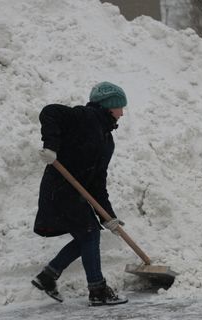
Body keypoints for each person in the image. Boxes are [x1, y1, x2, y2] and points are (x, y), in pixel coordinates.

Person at [31, 81, 129, 306]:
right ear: (108, 105)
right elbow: (50, 112)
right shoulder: (85, 117)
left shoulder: (107, 140)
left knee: (88, 235)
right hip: (60, 187)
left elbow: (97, 183)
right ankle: (98, 290)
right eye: (119, 107)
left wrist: (109, 217)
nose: (122, 113)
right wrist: (51, 147)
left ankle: (48, 276)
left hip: (74, 193)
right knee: (89, 233)